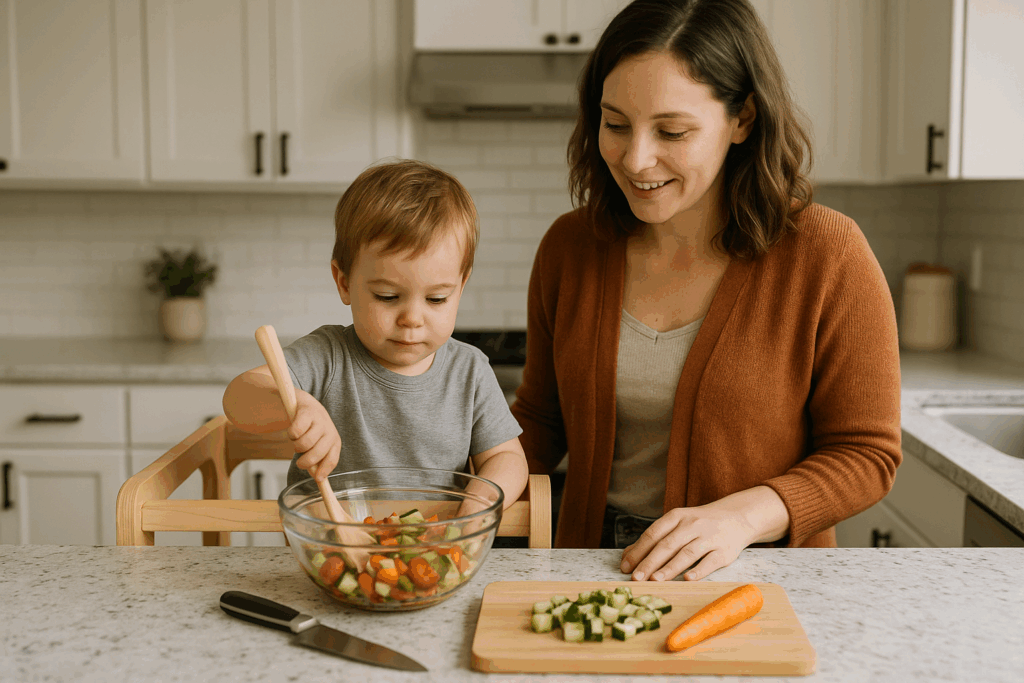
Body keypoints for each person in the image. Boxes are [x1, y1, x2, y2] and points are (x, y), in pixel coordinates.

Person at [511, 0, 901, 582]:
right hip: (592, 567)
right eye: (615, 124)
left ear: (743, 119)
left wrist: (741, 517)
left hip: (758, 576)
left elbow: (867, 453)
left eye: (672, 130)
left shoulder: (827, 253)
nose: (636, 159)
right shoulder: (572, 247)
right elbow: (541, 421)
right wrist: (453, 490)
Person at [223, 159, 529, 514]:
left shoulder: (470, 370)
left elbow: (508, 457)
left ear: (461, 285)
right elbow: (239, 396)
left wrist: (483, 500)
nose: (412, 319)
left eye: (436, 299)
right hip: (332, 553)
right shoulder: (326, 356)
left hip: (438, 550)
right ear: (344, 282)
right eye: (387, 296)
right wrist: (296, 404)